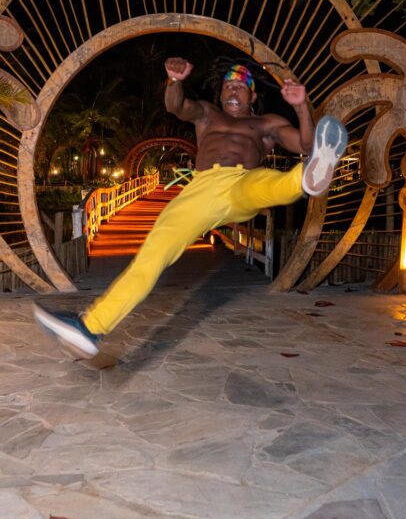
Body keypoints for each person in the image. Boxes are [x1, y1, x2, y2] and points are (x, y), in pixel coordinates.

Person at [33, 58, 348, 357]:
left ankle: (305, 179)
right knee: (151, 257)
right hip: (198, 191)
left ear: (252, 95)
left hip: (240, 183)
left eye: (241, 86)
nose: (233, 90)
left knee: (263, 184)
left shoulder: (266, 123)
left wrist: (300, 106)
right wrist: (174, 80)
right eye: (228, 85)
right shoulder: (208, 114)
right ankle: (91, 327)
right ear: (220, 94)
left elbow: (306, 144)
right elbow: (177, 106)